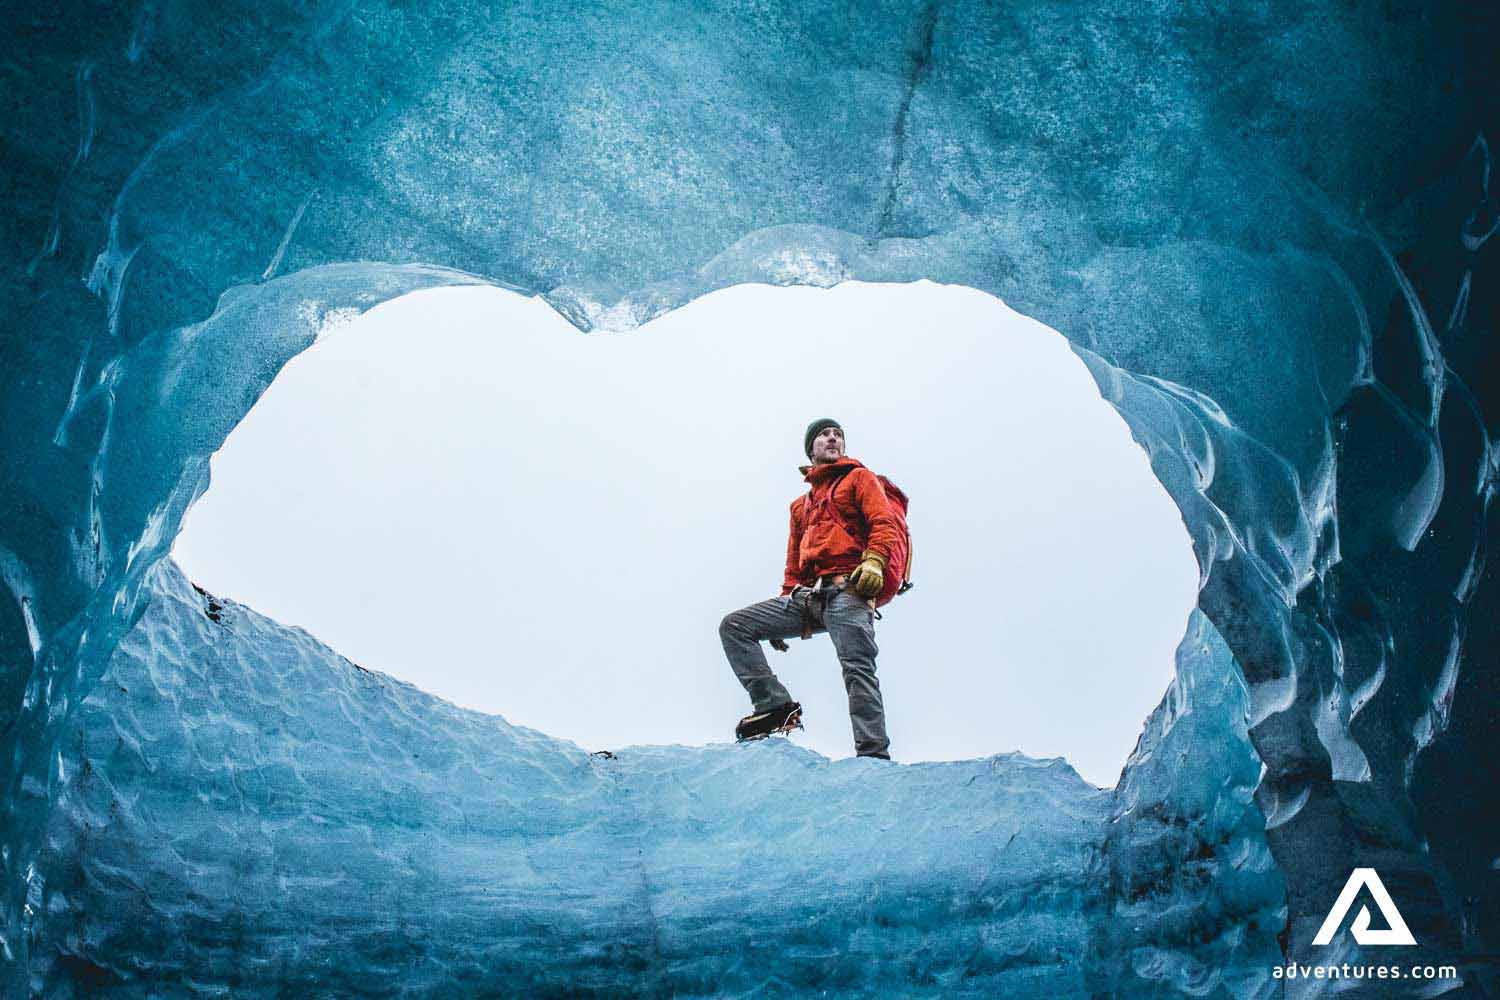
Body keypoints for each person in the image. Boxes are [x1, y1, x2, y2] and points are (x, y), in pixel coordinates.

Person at [718, 418, 902, 759]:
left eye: (838, 435)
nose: (832, 439)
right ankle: (773, 704)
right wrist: (785, 597)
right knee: (735, 626)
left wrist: (875, 560)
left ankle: (873, 755)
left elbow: (883, 522)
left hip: (850, 592)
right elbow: (793, 561)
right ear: (811, 448)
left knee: (857, 670)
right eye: (824, 435)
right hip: (807, 599)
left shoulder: (859, 479)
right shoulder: (800, 506)